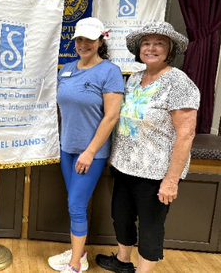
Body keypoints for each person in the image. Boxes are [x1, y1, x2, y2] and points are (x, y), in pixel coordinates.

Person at [95, 21, 200, 273]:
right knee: (121, 218)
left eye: (159, 43)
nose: (151, 48)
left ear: (170, 49)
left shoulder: (179, 82)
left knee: (151, 226)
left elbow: (186, 135)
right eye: (146, 43)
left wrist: (171, 180)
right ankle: (122, 261)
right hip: (124, 166)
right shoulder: (134, 78)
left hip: (155, 173)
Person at [49, 17, 124, 273]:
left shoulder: (109, 72)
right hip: (67, 148)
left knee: (76, 205)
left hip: (91, 153)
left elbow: (111, 116)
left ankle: (75, 265)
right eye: (79, 39)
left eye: (90, 39)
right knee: (74, 203)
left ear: (100, 40)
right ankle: (79, 253)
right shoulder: (67, 69)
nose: (83, 44)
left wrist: (89, 152)